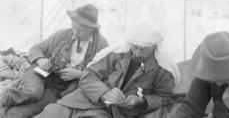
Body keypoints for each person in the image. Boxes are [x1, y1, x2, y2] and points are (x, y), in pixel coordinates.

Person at [35, 23, 180, 118]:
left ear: (155, 47)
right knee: (50, 113)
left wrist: (141, 101)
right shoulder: (116, 54)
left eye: (144, 49)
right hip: (81, 99)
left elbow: (165, 96)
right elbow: (88, 76)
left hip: (109, 112)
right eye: (134, 47)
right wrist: (104, 92)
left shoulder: (163, 69)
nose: (137, 53)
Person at [0, 4, 108, 118]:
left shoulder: (101, 45)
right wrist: (40, 59)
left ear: (91, 29)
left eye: (79, 30)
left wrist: (80, 75)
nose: (74, 32)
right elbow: (36, 49)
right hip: (39, 72)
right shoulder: (62, 34)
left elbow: (104, 75)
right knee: (33, 92)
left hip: (57, 86)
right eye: (73, 27)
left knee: (25, 112)